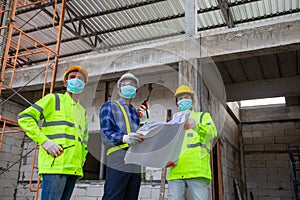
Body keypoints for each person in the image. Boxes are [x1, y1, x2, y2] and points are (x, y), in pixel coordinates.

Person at [17, 66, 89, 200]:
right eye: (72, 77)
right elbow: (24, 117)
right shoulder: (53, 99)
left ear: (84, 85)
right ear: (65, 82)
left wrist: (82, 159)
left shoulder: (82, 111)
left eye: (80, 78)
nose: (76, 80)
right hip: (55, 165)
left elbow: (84, 139)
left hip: (73, 168)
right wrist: (44, 142)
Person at [167, 85, 218, 200]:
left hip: (196, 170)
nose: (183, 100)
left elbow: (212, 133)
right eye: (180, 99)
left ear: (193, 100)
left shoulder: (203, 117)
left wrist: (196, 126)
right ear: (176, 104)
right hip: (176, 170)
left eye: (186, 97)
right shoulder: (173, 123)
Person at [100, 72, 145, 200]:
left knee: (131, 197)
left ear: (135, 91)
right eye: (125, 84)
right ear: (119, 89)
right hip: (118, 157)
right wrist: (123, 138)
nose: (129, 86)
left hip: (135, 159)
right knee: (113, 196)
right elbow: (105, 134)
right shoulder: (110, 106)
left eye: (132, 85)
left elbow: (138, 137)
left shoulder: (135, 113)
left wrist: (144, 124)